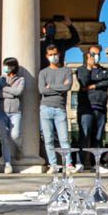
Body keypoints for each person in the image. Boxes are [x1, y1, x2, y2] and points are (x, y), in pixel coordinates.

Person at [75, 45, 108, 170]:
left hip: (101, 107)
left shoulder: (105, 71)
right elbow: (83, 82)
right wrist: (89, 68)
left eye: (97, 54)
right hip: (86, 107)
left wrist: (94, 86)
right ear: (88, 55)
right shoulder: (81, 69)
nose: (95, 57)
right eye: (92, 54)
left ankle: (96, 164)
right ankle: (80, 162)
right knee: (85, 136)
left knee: (98, 137)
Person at [38, 43, 75, 171]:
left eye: (55, 54)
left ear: (59, 54)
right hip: (45, 108)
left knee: (64, 138)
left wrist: (51, 87)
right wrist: (58, 88)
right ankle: (53, 164)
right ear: (46, 56)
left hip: (60, 109)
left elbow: (67, 87)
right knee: (48, 139)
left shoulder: (66, 71)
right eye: (50, 55)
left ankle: (68, 163)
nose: (53, 57)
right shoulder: (43, 73)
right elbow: (42, 90)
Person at [0, 57, 24, 173]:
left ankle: (18, 149)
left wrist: (5, 90)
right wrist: (10, 93)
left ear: (13, 67)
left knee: (15, 135)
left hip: (15, 112)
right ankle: (7, 163)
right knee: (4, 137)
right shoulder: (0, 79)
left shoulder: (20, 80)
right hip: (1, 111)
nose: (5, 68)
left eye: (7, 66)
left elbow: (19, 92)